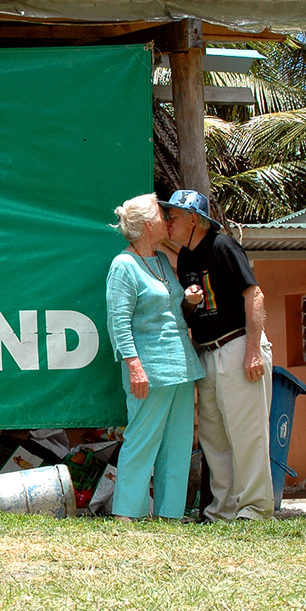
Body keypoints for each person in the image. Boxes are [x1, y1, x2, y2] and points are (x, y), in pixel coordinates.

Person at [159, 189, 275, 521]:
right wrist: (189, 302)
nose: (167, 222)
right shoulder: (186, 258)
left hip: (238, 345)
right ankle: (222, 512)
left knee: (247, 435)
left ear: (193, 219)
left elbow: (254, 294)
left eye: (173, 216)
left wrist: (253, 350)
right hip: (207, 352)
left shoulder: (223, 245)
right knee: (214, 439)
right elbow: (189, 314)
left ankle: (255, 511)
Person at [104, 194, 204, 521]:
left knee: (178, 444)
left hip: (181, 366)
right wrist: (134, 365)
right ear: (149, 224)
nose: (168, 219)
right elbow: (118, 320)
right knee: (141, 441)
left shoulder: (161, 260)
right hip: (149, 370)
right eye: (163, 214)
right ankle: (126, 515)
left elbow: (174, 308)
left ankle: (169, 515)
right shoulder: (123, 265)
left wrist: (189, 300)